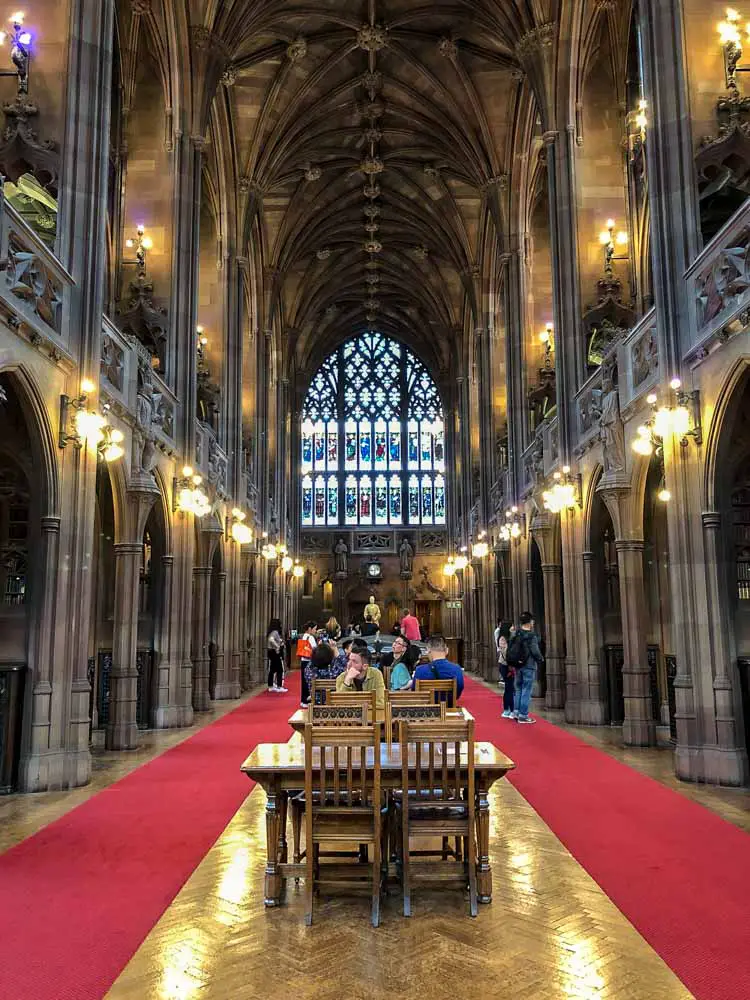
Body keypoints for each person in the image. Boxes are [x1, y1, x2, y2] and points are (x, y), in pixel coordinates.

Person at [507, 611, 544, 724]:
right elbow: (535, 651)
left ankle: (516, 712)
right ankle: (523, 715)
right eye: (532, 621)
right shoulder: (531, 636)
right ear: (529, 622)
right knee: (526, 690)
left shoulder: (516, 633)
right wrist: (541, 659)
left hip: (518, 665)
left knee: (518, 688)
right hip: (528, 665)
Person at [411, 634, 464, 705]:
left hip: (426, 710)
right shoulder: (456, 669)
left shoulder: (420, 670)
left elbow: (415, 691)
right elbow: (459, 690)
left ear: (429, 650)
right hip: (448, 707)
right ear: (446, 650)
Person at [297, 621, 318, 707]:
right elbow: (315, 649)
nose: (315, 631)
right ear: (310, 629)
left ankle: (303, 700)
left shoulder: (303, 636)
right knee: (309, 681)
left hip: (303, 660)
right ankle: (307, 700)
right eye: (315, 629)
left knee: (303, 681)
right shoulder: (310, 637)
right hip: (309, 661)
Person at [496, 621, 515, 718]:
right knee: (509, 688)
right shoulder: (502, 638)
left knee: (510, 688)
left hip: (509, 665)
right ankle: (508, 709)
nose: (513, 627)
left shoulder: (509, 637)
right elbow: (506, 653)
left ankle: (510, 709)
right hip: (505, 666)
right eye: (512, 626)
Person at [266, 618, 288, 693]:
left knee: (272, 670)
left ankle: (271, 685)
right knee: (279, 669)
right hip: (274, 653)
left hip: (271, 652)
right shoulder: (275, 632)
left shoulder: (272, 632)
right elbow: (271, 640)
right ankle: (279, 686)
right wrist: (277, 646)